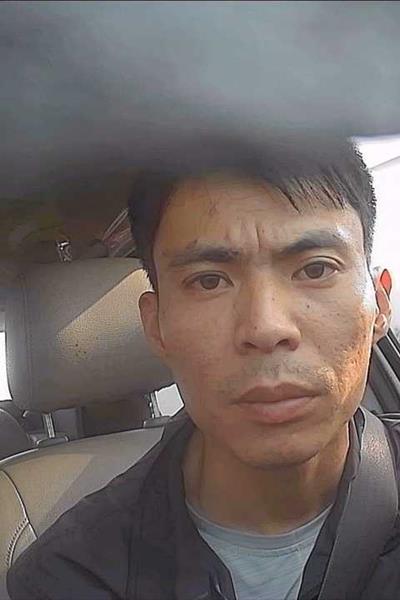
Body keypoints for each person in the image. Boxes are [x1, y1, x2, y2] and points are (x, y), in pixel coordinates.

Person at [7, 143, 398, 600]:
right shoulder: (69, 579)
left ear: (379, 304)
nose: (265, 327)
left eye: (316, 269)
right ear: (155, 326)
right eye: (209, 280)